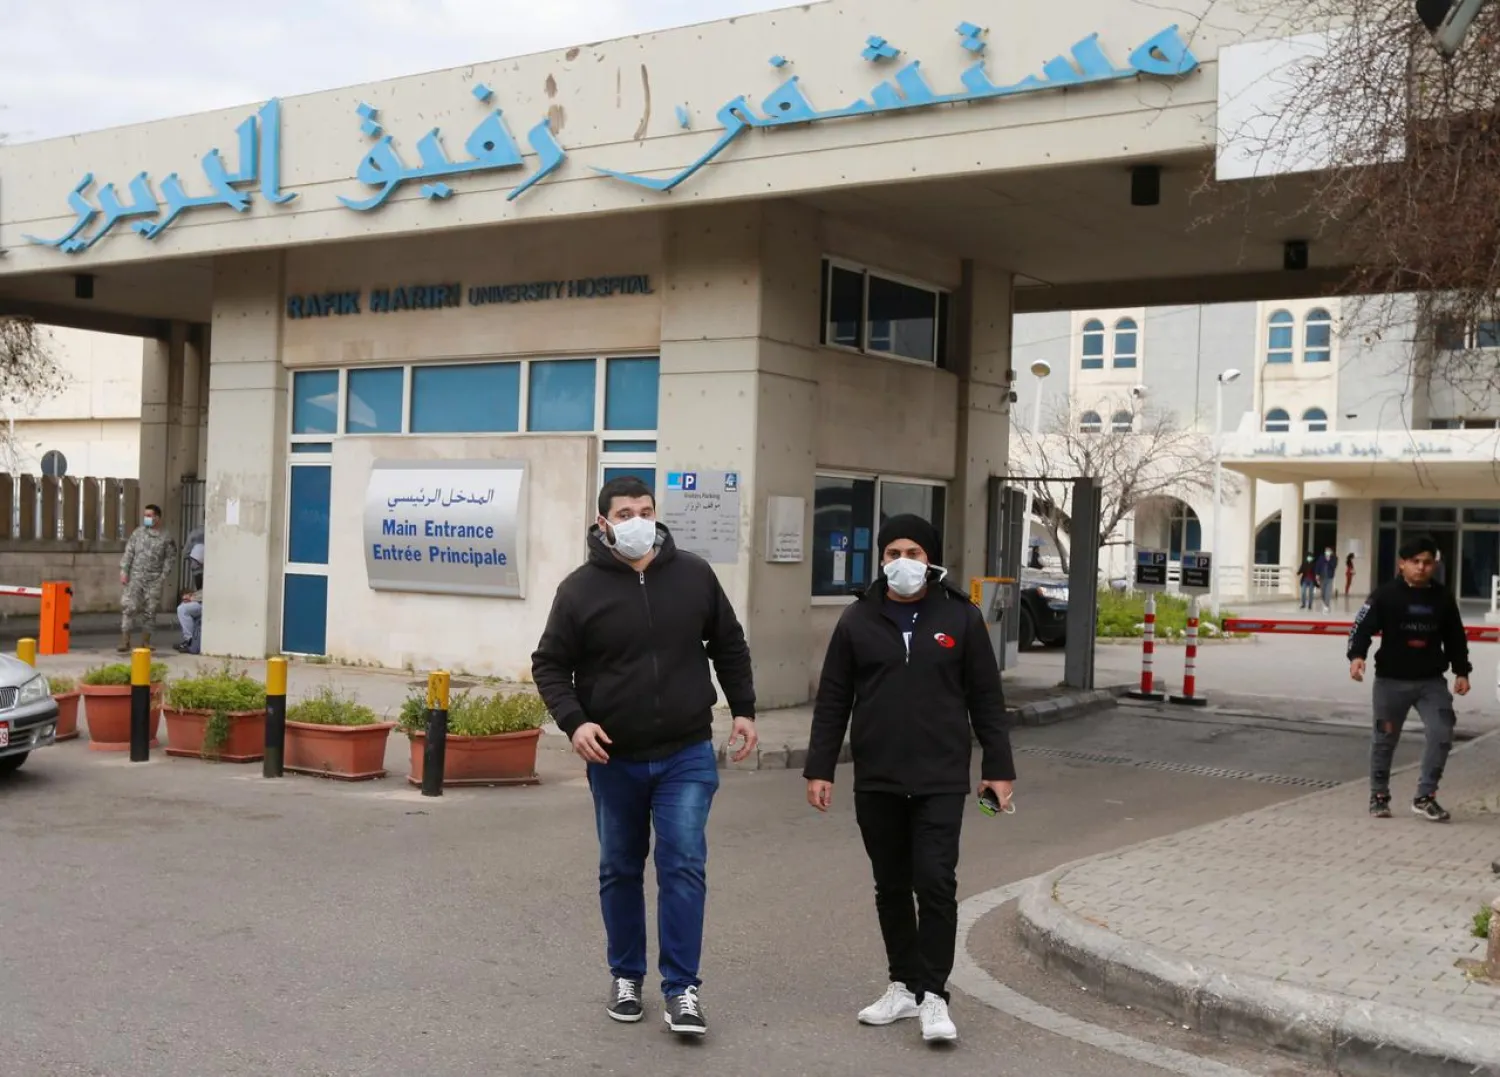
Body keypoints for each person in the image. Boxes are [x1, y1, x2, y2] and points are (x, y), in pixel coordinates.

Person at [531, 475, 758, 1037]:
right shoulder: (579, 590)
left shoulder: (695, 576)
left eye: (646, 510)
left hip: (685, 750)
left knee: (682, 864)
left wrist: (745, 710)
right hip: (614, 756)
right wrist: (575, 721)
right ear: (603, 523)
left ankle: (682, 989)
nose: (638, 520)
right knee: (620, 869)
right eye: (625, 512)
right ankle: (626, 975)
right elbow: (550, 665)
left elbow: (728, 643)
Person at [804, 513, 1016, 1045]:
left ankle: (935, 996)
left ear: (932, 561)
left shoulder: (960, 619)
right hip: (877, 777)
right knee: (891, 886)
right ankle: (903, 984)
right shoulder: (857, 619)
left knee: (936, 883)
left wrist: (998, 768)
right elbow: (833, 698)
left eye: (914, 553)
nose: (903, 562)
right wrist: (819, 768)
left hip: (941, 777)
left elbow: (987, 700)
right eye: (893, 552)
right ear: (881, 559)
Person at [1347, 534, 1470, 822]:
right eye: (1415, 562)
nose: (1422, 568)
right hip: (1391, 682)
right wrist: (1357, 656)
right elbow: (1361, 628)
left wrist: (1462, 671)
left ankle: (1425, 796)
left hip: (1431, 683)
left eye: (1428, 563)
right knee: (1384, 738)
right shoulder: (1385, 595)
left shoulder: (1442, 597)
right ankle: (1379, 795)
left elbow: (1455, 636)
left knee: (1442, 733)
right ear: (1402, 564)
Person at [118, 503, 179, 653]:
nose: (146, 518)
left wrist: (162, 577)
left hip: (154, 580)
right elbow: (129, 553)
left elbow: (170, 559)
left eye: (149, 516)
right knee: (129, 607)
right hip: (136, 578)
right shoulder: (138, 533)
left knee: (150, 611)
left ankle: (146, 642)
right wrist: (124, 571)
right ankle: (125, 641)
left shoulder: (166, 537)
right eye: (145, 515)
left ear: (157, 518)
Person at [175, 588, 202, 654]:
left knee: (182, 609)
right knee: (182, 605)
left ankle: (190, 640)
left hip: (203, 603)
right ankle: (188, 640)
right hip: (198, 600)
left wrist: (193, 597)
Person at [1314, 545, 1338, 613]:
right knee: (1323, 593)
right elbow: (1318, 565)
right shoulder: (1321, 558)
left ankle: (1326, 606)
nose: (1327, 552)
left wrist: (1328, 560)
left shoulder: (1334, 558)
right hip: (1322, 577)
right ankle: (1325, 603)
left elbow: (1334, 566)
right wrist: (1317, 574)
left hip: (1330, 577)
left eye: (1329, 551)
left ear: (1331, 552)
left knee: (1328, 592)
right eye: (1326, 551)